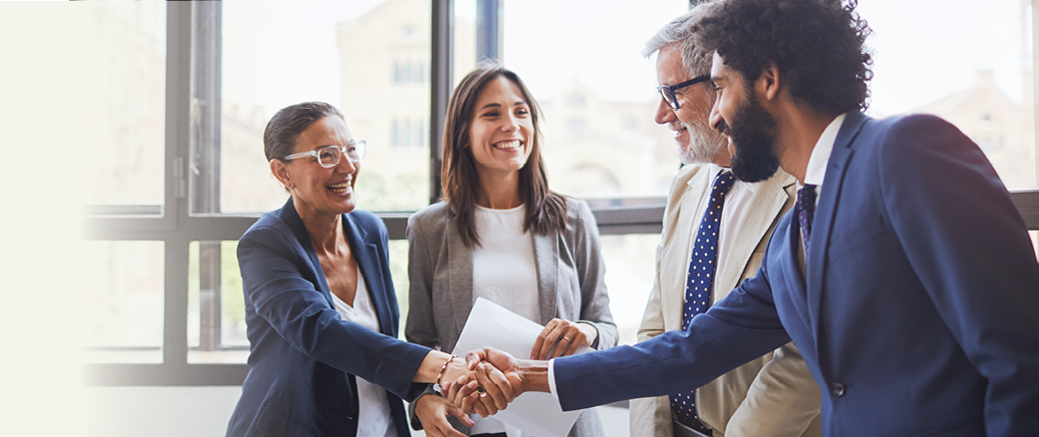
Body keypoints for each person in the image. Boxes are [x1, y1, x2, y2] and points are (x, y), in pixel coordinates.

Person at [453, 1, 1039, 435]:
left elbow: (1029, 362)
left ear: (769, 81)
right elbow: (690, 351)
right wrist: (531, 376)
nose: (715, 115)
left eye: (720, 87)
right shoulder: (795, 234)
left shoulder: (907, 151)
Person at [228, 102, 478, 437]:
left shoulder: (369, 231)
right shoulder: (265, 245)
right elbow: (320, 331)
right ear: (283, 173)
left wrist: (420, 396)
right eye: (326, 155)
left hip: (381, 427)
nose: (347, 166)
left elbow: (382, 341)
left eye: (350, 149)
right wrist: (441, 366)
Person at [632, 6, 820, 437]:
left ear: (720, 85)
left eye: (672, 94)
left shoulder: (802, 191)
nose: (662, 115)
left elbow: (802, 358)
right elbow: (656, 328)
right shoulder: (686, 186)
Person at [404, 61, 617, 437]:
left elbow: (606, 326)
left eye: (522, 112)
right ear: (462, 134)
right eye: (491, 114)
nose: (511, 125)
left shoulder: (574, 218)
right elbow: (420, 340)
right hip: (472, 426)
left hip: (563, 427)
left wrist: (586, 331)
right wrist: (422, 398)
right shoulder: (429, 228)